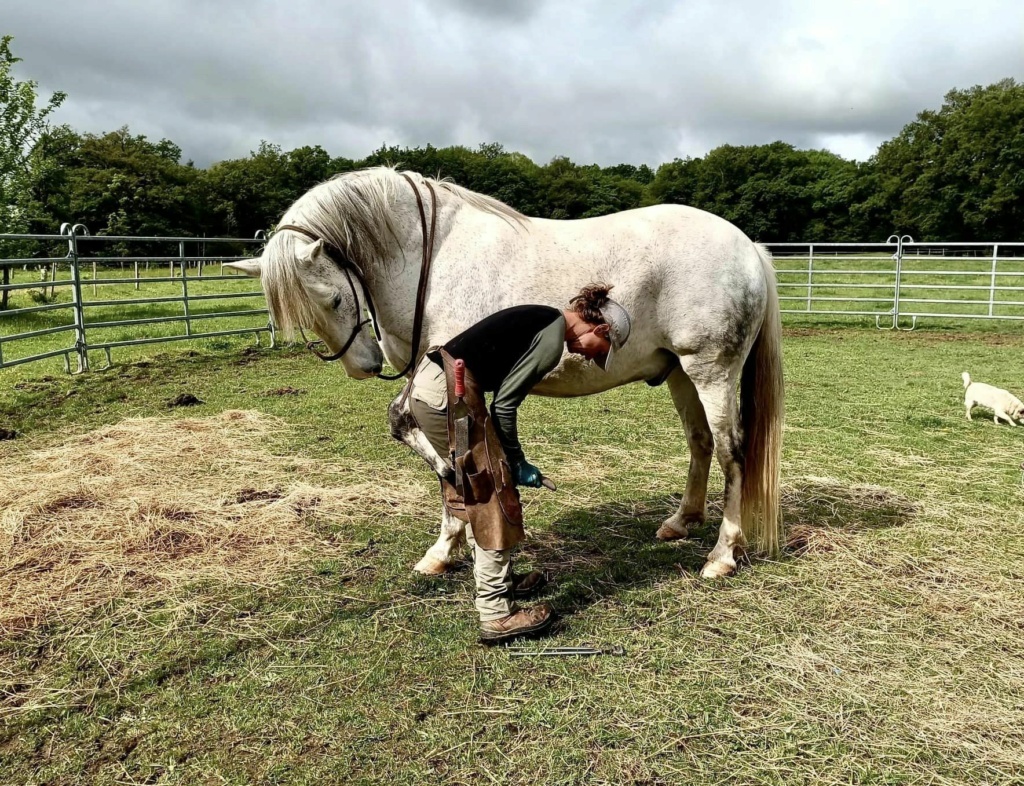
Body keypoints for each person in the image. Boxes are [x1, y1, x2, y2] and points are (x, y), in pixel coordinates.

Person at [405, 284, 632, 644]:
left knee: (475, 485)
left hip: (441, 388)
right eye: (599, 351)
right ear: (599, 329)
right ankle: (497, 614)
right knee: (492, 493)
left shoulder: (543, 316)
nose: (590, 359)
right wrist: (516, 460)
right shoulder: (552, 336)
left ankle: (500, 581)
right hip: (450, 398)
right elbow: (505, 406)